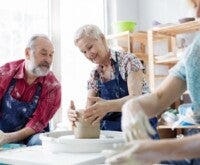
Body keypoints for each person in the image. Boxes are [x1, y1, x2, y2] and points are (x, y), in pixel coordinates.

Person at [105, 5, 200, 165]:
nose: (197, 13)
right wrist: (132, 107)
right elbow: (159, 97)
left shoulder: (128, 61)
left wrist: (157, 150)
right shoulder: (196, 51)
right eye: (196, 5)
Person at [67, 24, 158, 135]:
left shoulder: (128, 60)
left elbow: (136, 99)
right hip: (113, 131)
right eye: (84, 52)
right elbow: (89, 112)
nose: (88, 54)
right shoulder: (95, 75)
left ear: (102, 38)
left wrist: (108, 106)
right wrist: (75, 116)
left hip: (139, 124)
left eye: (90, 47)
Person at [0, 34, 61, 146]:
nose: (48, 60)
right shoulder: (5, 73)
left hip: (31, 136)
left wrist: (8, 138)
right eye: (43, 54)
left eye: (51, 55)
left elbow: (37, 123)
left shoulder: (53, 86)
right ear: (28, 53)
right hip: (1, 132)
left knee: (41, 142)